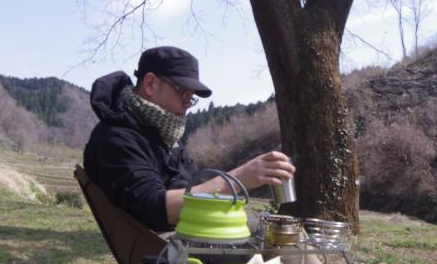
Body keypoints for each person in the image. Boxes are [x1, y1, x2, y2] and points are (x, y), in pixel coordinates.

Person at [83, 46, 295, 233]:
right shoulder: (116, 138)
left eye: (191, 98)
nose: (187, 104)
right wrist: (239, 177)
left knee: (287, 232)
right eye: (183, 92)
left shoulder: (166, 138)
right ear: (150, 84)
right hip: (166, 248)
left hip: (192, 231)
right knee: (281, 241)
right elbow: (153, 208)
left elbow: (197, 184)